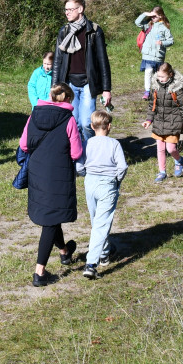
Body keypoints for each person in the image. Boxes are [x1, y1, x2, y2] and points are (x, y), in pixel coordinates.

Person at [20, 83, 84, 287]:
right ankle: (40, 272)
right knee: (50, 220)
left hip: (37, 172)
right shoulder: (69, 119)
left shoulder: (34, 115)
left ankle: (64, 253)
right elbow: (76, 153)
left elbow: (24, 145)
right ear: (67, 99)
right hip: (58, 173)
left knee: (51, 215)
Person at [52, 0, 112, 146]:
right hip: (69, 84)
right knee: (74, 124)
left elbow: (103, 61)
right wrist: (54, 87)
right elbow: (58, 61)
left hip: (88, 83)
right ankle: (79, 155)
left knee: (86, 123)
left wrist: (106, 89)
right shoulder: (64, 32)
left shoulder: (94, 31)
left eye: (70, 9)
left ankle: (91, 149)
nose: (67, 13)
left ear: (80, 9)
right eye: (65, 10)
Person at [80, 110, 127, 280]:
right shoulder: (114, 144)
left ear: (92, 127)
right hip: (107, 185)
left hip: (90, 183)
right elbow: (122, 167)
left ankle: (104, 253)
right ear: (109, 126)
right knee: (101, 223)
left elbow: (79, 165)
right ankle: (91, 264)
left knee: (96, 221)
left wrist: (86, 174)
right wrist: (116, 181)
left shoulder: (87, 143)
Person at [141, 62, 183, 183]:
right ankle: (162, 172)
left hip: (174, 122)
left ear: (170, 75)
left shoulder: (176, 89)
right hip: (159, 122)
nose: (160, 79)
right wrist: (149, 120)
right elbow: (152, 105)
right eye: (158, 76)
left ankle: (178, 160)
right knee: (160, 149)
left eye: (162, 77)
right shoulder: (156, 87)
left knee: (171, 149)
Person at [135, 7, 174, 100]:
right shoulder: (148, 25)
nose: (152, 18)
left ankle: (158, 90)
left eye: (154, 16)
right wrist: (145, 14)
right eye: (151, 16)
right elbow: (137, 22)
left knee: (157, 74)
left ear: (160, 16)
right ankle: (147, 91)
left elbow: (171, 41)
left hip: (158, 55)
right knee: (148, 72)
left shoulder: (164, 28)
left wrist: (162, 43)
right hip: (148, 55)